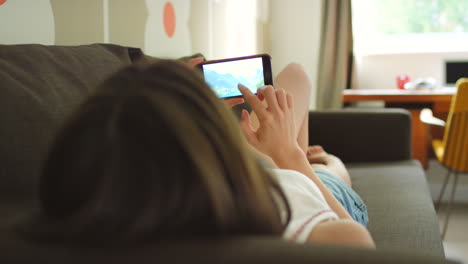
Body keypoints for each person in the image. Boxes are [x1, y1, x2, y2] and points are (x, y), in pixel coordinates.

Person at [24, 59, 374, 248]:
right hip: (309, 187)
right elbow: (358, 239)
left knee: (290, 89)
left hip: (248, 174)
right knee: (329, 169)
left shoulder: (98, 206)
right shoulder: (326, 231)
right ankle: (325, 159)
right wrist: (293, 157)